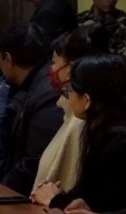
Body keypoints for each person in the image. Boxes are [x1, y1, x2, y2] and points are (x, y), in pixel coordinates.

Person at [31, 55, 126, 214]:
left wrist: (54, 199)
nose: (67, 97)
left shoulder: (123, 143)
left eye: (69, 91)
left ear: (87, 100)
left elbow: (99, 209)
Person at [0, 22, 63, 195]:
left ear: (8, 59)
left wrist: (0, 191)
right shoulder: (29, 83)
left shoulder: (47, 93)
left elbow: (34, 162)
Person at [33, 29, 92, 188]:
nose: (51, 69)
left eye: (54, 62)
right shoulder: (70, 113)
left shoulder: (79, 120)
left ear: (70, 68)